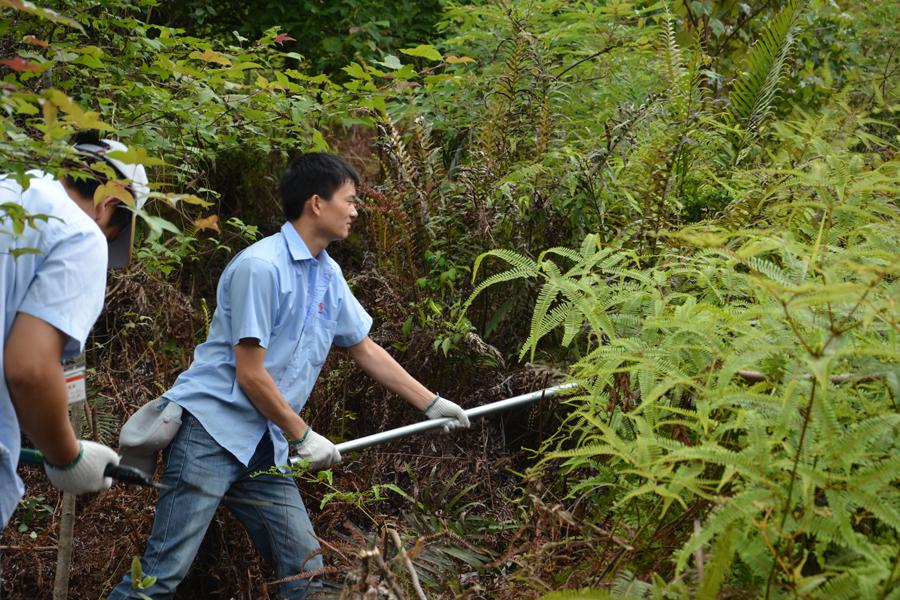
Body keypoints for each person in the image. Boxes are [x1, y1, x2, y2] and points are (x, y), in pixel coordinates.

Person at [108, 153, 470, 599]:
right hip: (212, 433)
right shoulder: (262, 268)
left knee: (306, 570)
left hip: (266, 442)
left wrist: (431, 403)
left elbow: (363, 347)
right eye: (350, 200)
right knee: (162, 574)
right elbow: (250, 375)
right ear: (316, 203)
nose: (356, 210)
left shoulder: (328, 274)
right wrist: (303, 435)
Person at [0, 132, 149, 532]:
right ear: (108, 204)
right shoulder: (80, 231)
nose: (105, 243)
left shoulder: (10, 188)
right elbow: (29, 368)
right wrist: (68, 457)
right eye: (112, 235)